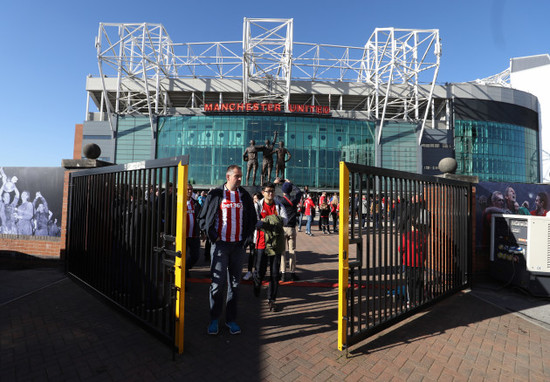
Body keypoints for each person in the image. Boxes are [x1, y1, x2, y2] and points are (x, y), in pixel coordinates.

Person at [198, 165, 257, 335]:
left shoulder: (244, 195)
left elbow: (252, 219)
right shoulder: (216, 194)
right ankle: (214, 319)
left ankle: (231, 320)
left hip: (238, 246)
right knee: (217, 284)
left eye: (240, 176)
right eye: (237, 176)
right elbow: (203, 217)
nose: (240, 179)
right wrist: (213, 236)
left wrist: (245, 240)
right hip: (220, 245)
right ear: (228, 176)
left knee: (235, 284)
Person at [253, 182, 287, 312]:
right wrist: (273, 222)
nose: (271, 193)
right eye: (268, 191)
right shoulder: (258, 206)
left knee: (274, 274)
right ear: (263, 192)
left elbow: (285, 220)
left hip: (276, 244)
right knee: (260, 271)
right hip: (261, 242)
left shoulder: (279, 205)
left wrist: (267, 221)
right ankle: (257, 283)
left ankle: (271, 300)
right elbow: (257, 222)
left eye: (272, 191)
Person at [275, 179, 303, 282]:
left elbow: (270, 192)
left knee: (282, 252)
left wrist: (276, 183)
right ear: (291, 190)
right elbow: (299, 192)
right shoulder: (294, 199)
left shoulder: (279, 199)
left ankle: (283, 273)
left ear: (283, 191)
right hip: (291, 227)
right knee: (292, 251)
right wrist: (291, 183)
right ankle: (292, 273)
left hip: (282, 227)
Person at [243, 192, 262, 281]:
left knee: (254, 252)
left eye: (257, 199)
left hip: (258, 233)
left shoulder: (261, 207)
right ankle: (249, 271)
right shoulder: (250, 207)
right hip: (250, 233)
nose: (255, 201)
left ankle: (254, 272)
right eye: (254, 199)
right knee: (245, 250)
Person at [185, 184, 202, 276]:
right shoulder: (178, 203)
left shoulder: (196, 203)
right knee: (182, 256)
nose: (190, 191)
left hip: (194, 235)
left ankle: (186, 267)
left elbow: (200, 218)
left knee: (195, 256)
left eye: (191, 189)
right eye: (187, 189)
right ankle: (183, 275)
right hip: (183, 236)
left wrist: (202, 232)